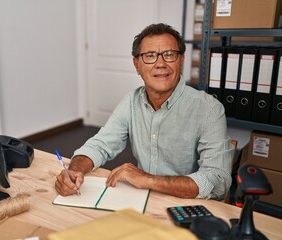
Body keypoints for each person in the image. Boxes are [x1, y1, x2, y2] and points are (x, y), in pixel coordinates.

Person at [55, 23, 233, 200]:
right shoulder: (131, 101)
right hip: (142, 198)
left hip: (187, 206)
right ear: (137, 65)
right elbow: (100, 145)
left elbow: (218, 181)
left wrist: (148, 180)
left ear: (181, 60)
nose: (160, 64)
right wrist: (75, 170)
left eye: (169, 55)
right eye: (150, 56)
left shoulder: (209, 109)